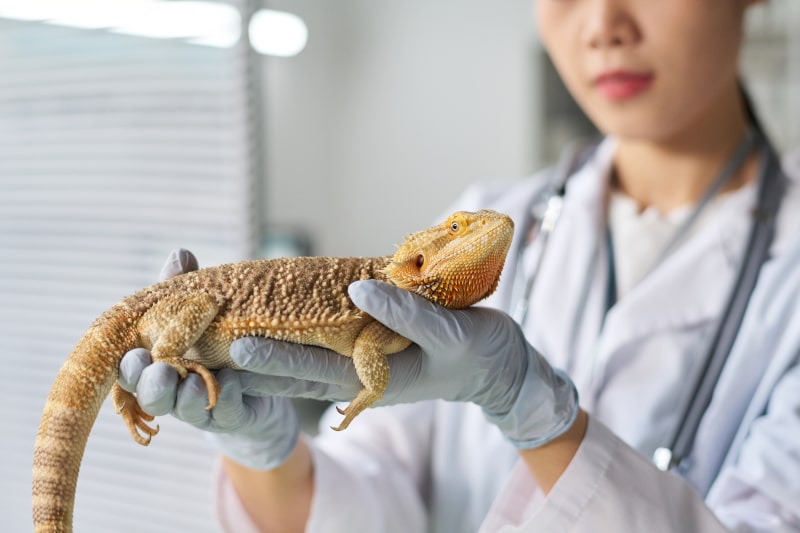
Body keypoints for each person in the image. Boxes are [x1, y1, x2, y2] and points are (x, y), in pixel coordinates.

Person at [119, 0, 800, 531]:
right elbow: (370, 500)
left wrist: (535, 411)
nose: (602, 25)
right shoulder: (483, 225)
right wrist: (262, 450)